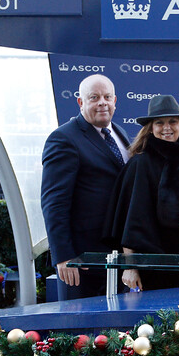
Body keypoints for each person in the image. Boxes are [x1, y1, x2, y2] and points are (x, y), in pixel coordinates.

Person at [103, 95, 179, 291]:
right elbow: (128, 220)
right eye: (159, 122)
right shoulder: (140, 164)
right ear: (150, 128)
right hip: (149, 270)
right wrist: (130, 266)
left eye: (172, 122)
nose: (167, 127)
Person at [41, 74, 130, 300]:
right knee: (80, 332)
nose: (102, 102)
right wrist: (64, 256)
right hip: (82, 262)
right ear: (81, 102)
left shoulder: (120, 133)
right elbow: (54, 202)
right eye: (94, 97)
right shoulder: (63, 138)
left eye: (107, 97)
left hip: (117, 258)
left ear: (115, 101)